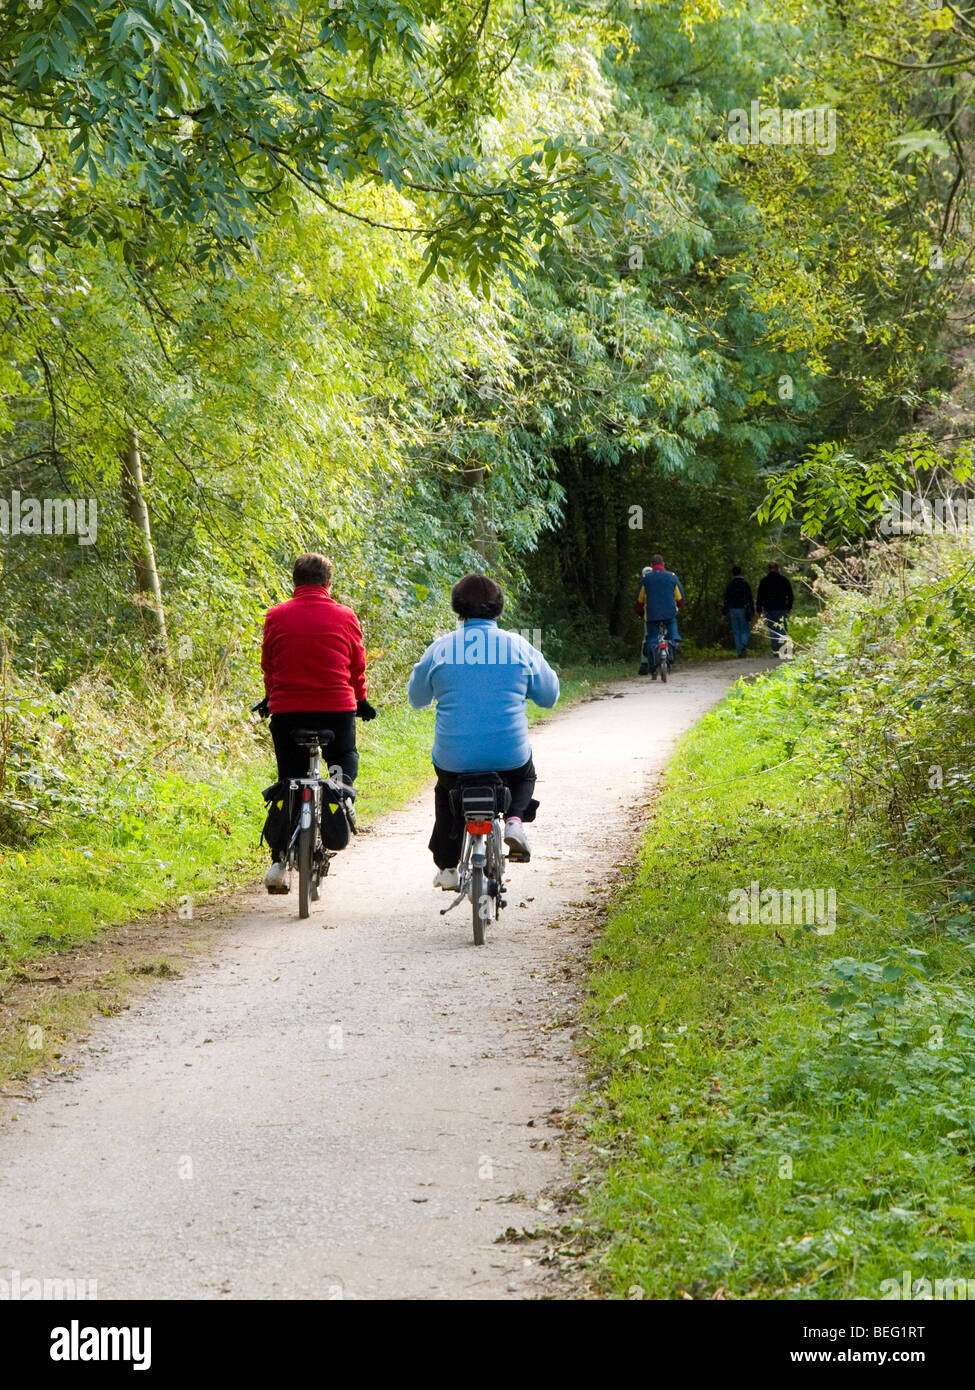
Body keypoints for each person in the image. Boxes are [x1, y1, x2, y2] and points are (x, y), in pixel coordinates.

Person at [407, 574, 559, 889]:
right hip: (508, 756)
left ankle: (447, 866)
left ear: (457, 608)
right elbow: (549, 696)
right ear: (498, 608)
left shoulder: (441, 648)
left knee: (446, 791)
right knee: (524, 775)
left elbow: (417, 699)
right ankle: (515, 821)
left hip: (454, 760)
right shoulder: (519, 645)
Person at [260, 552, 375, 893]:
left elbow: (270, 665)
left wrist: (271, 698)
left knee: (289, 781)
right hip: (335, 711)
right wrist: (361, 700)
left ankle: (279, 862)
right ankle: (339, 793)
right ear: (328, 583)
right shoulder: (345, 615)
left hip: (287, 712)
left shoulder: (276, 616)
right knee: (344, 757)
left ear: (295, 582)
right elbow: (357, 665)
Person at [635, 554, 685, 674]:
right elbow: (680, 598)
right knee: (672, 626)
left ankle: (652, 665)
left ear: (652, 565)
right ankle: (675, 641)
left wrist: (639, 611)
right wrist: (679, 606)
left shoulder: (646, 579)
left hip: (652, 614)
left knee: (652, 639)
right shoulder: (672, 577)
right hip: (669, 612)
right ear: (664, 564)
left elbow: (639, 600)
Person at [755, 561, 794, 653]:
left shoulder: (764, 581)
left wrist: (759, 609)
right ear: (777, 569)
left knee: (772, 628)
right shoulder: (783, 580)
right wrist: (789, 607)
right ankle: (780, 644)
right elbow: (790, 595)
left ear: (769, 569)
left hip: (769, 608)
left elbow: (760, 596)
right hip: (781, 608)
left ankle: (775, 648)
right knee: (781, 627)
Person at [722, 564, 755, 658]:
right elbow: (750, 598)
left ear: (732, 573)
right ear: (741, 572)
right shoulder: (745, 584)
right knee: (745, 629)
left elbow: (726, 599)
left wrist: (724, 613)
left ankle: (739, 652)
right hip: (743, 609)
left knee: (736, 631)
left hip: (732, 610)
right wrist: (752, 611)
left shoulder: (730, 585)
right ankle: (743, 644)